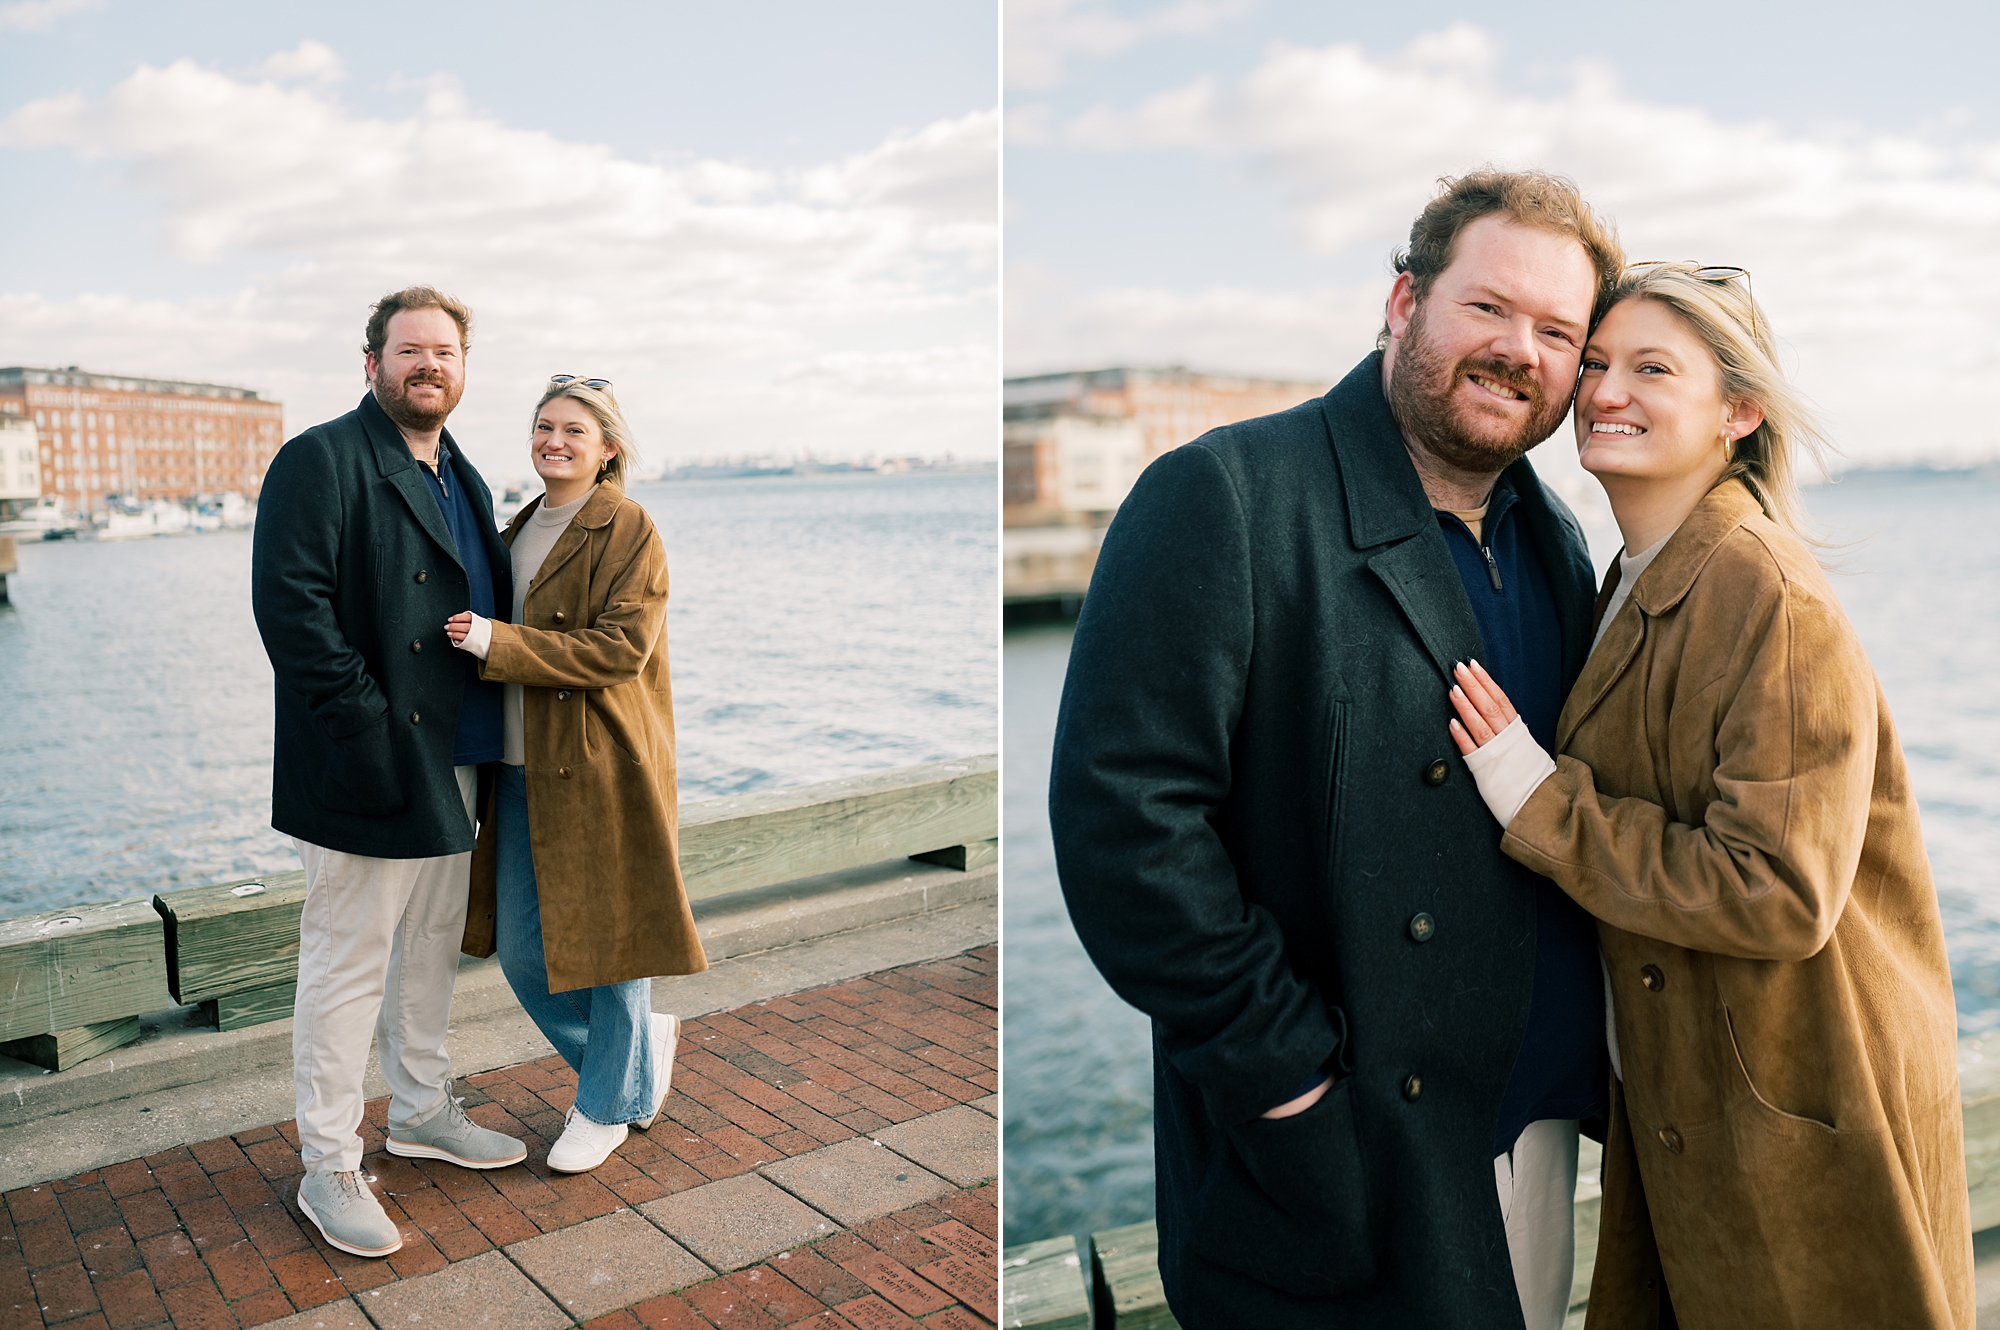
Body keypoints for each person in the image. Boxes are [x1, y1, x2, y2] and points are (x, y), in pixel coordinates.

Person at [1049, 170, 1622, 1329]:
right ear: (1404, 301)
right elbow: (1125, 825)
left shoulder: (1550, 533)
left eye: (1557, 332)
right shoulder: (1224, 494)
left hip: (1535, 1140)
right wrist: (1291, 1087)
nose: (1519, 350)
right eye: (1488, 307)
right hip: (1345, 1156)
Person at [1447, 263, 1973, 1327]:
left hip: (1789, 1113)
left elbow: (1777, 888)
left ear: (1737, 411)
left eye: (1649, 368)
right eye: (1593, 363)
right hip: (1691, 1100)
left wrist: (1531, 795)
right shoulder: (1639, 569)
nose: (1601, 390)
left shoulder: (1761, 588)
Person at [251, 286, 529, 1260]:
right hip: (368, 769)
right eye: (409, 349)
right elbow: (293, 616)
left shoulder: (464, 472)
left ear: (463, 368)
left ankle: (418, 1109)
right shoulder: (320, 459)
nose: (428, 365)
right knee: (345, 964)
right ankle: (327, 1161)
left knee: (428, 949)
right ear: (370, 363)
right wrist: (370, 732)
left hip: (454, 760)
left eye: (444, 351)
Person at [444, 375, 706, 1174]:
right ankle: (634, 1060)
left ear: (608, 448)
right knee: (524, 953)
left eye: (575, 432)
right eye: (545, 427)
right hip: (520, 771)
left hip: (597, 767)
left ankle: (603, 1109)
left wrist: (500, 644)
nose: (555, 441)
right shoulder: (520, 525)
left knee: (611, 949)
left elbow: (619, 650)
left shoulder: (628, 527)